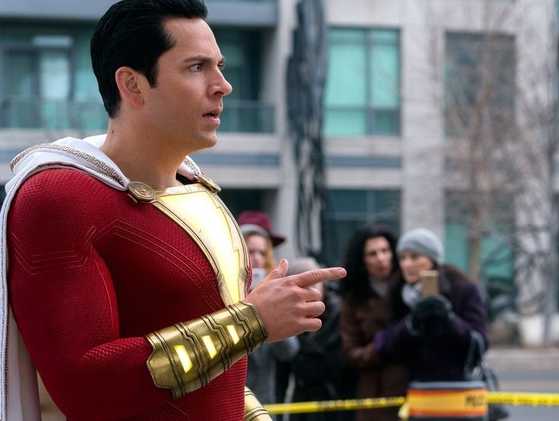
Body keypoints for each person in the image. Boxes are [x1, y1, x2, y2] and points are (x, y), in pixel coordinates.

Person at [0, 1, 345, 420]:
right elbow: (85, 383)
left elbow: (221, 378)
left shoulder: (198, 190)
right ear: (132, 85)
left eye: (219, 66)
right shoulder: (60, 197)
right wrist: (250, 322)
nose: (223, 86)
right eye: (196, 67)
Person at [375, 228, 488, 382]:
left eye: (415, 257)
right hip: (413, 387)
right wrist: (410, 324)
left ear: (432, 260)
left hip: (458, 386)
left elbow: (480, 342)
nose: (407, 264)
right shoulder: (396, 291)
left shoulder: (462, 288)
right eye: (402, 258)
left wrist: (450, 319)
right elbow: (383, 345)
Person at [339, 225, 407, 421]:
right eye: (372, 254)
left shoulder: (410, 287)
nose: (381, 258)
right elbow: (350, 351)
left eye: (385, 251)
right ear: (362, 260)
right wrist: (379, 347)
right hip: (374, 393)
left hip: (412, 386)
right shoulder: (354, 300)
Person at [238, 211, 300, 406]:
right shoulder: (221, 291)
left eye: (263, 253)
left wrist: (267, 308)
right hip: (229, 396)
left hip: (262, 401)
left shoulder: (278, 292)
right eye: (250, 251)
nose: (257, 259)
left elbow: (289, 351)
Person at [286, 257, 357, 421]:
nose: (311, 291)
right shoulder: (287, 319)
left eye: (315, 284)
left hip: (338, 400)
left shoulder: (340, 313)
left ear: (323, 285)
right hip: (303, 403)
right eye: (303, 287)